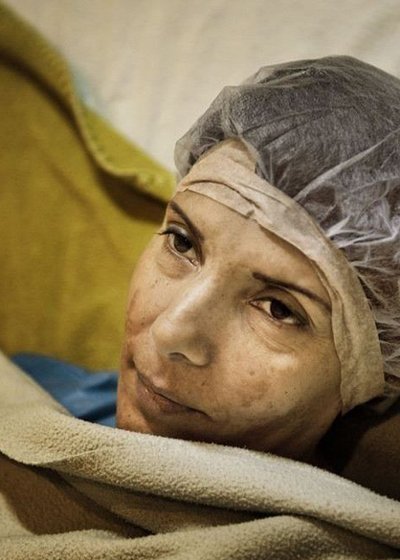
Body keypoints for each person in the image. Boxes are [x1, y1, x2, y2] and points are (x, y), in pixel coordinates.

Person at [14, 55, 400, 464]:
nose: (170, 332)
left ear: (379, 378)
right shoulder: (34, 384)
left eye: (278, 308)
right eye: (182, 243)